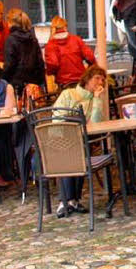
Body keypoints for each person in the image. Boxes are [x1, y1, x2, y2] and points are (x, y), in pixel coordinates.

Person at [51, 64, 107, 218]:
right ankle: (68, 200)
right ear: (87, 78)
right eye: (97, 78)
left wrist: (96, 99)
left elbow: (95, 123)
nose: (99, 83)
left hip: (80, 139)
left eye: (102, 80)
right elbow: (57, 117)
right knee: (71, 150)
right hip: (59, 136)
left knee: (79, 150)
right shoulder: (68, 94)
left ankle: (70, 200)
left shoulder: (94, 100)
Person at [43, 15, 96, 88]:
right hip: (81, 81)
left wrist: (50, 72)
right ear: (65, 27)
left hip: (64, 83)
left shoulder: (51, 45)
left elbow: (53, 64)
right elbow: (90, 57)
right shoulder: (76, 40)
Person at [2, 8, 45, 96]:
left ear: (10, 22)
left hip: (16, 83)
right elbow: (40, 62)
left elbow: (9, 64)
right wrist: (41, 82)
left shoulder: (11, 39)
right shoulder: (33, 39)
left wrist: (2, 79)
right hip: (33, 83)